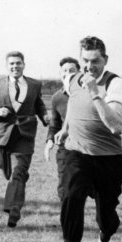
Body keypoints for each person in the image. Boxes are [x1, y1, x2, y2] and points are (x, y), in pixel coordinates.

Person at [55, 36, 122, 242]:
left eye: (95, 61)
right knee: (70, 197)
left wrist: (95, 92)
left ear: (105, 59)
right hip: (76, 152)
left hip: (108, 158)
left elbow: (115, 125)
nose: (88, 66)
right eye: (85, 60)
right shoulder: (72, 79)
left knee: (106, 216)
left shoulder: (115, 83)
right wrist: (65, 129)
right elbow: (72, 106)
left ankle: (105, 236)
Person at [0, 51, 48, 228]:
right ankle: (16, 193)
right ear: (7, 66)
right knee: (10, 173)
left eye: (18, 63)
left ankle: (13, 211)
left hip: (25, 134)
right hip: (4, 135)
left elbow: (38, 105)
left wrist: (45, 116)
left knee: (18, 170)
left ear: (23, 64)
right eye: (11, 64)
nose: (15, 66)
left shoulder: (34, 84)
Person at [43, 57, 81, 202]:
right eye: (64, 71)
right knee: (65, 186)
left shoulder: (87, 93)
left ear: (79, 73)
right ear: (60, 74)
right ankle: (67, 219)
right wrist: (50, 141)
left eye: (72, 70)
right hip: (65, 146)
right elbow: (55, 124)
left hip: (87, 146)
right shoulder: (57, 98)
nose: (68, 73)